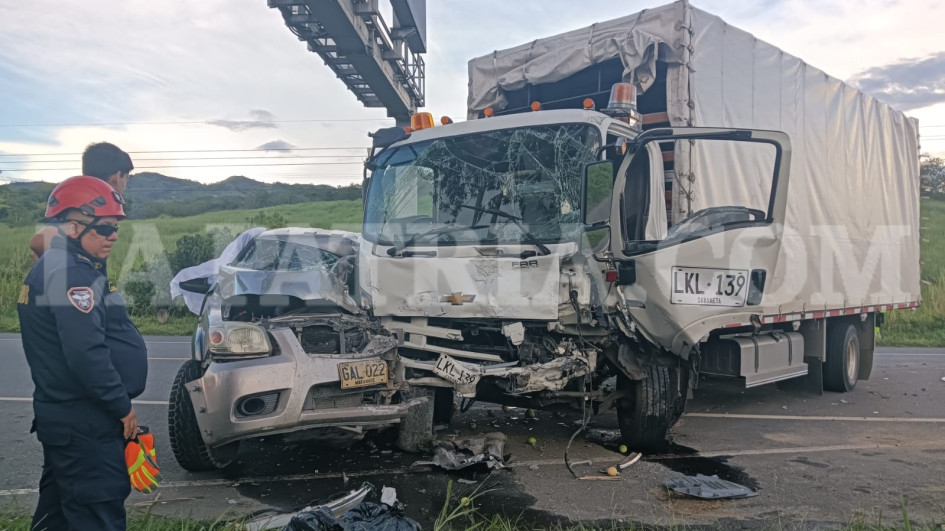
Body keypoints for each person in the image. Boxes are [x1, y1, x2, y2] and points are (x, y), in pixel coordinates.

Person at [18, 176, 148, 531]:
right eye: (105, 228)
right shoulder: (72, 275)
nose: (114, 236)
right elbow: (85, 352)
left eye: (116, 228)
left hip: (69, 423)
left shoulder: (63, 264)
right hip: (86, 425)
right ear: (73, 227)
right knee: (97, 516)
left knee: (56, 517)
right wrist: (121, 406)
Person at [30, 142, 134, 260]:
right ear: (117, 176)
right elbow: (38, 241)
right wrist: (76, 264)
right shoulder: (84, 207)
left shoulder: (85, 204)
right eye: (126, 178)